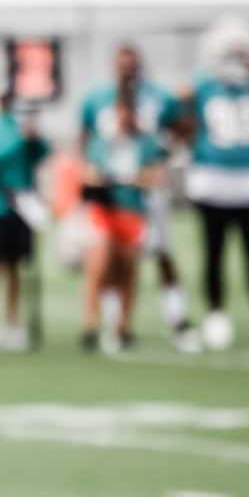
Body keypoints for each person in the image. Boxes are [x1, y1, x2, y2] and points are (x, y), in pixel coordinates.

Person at [80, 44, 197, 352]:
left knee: (155, 254)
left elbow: (180, 130)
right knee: (104, 260)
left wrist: (163, 156)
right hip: (109, 198)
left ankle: (175, 318)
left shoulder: (158, 99)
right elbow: (87, 147)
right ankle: (103, 322)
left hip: (141, 197)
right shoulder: (98, 101)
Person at [183, 16, 249, 351]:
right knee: (214, 253)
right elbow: (178, 108)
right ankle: (216, 313)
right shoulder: (202, 84)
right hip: (213, 179)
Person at [80, 94, 165, 351]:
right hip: (106, 210)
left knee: (128, 268)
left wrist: (128, 180)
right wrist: (113, 180)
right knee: (100, 264)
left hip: (132, 210)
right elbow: (90, 176)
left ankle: (123, 325)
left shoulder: (145, 143)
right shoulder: (102, 142)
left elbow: (152, 176)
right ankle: (90, 323)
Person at [0, 83, 48, 353]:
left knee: (15, 268)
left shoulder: (19, 125)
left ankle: (11, 324)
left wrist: (34, 140)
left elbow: (41, 154)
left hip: (20, 207)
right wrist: (19, 142)